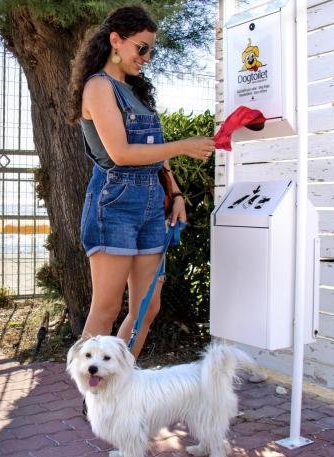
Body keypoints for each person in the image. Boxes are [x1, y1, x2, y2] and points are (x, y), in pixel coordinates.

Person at [69, 5, 215, 358]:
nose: (146, 57)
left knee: (146, 309)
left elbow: (154, 152)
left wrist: (176, 193)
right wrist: (185, 146)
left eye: (151, 50)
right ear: (116, 41)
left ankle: (121, 388)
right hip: (114, 203)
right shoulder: (98, 87)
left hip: (151, 204)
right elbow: (120, 153)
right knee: (105, 311)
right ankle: (93, 401)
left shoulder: (134, 91)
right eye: (142, 48)